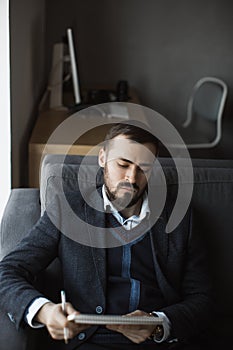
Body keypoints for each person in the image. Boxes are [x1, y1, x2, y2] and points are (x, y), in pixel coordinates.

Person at [0, 122, 212, 350]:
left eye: (144, 168)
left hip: (159, 344)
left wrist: (158, 323)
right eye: (123, 164)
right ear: (102, 158)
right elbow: (7, 271)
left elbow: (202, 298)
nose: (131, 178)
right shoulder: (67, 209)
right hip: (89, 342)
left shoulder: (181, 219)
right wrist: (44, 311)